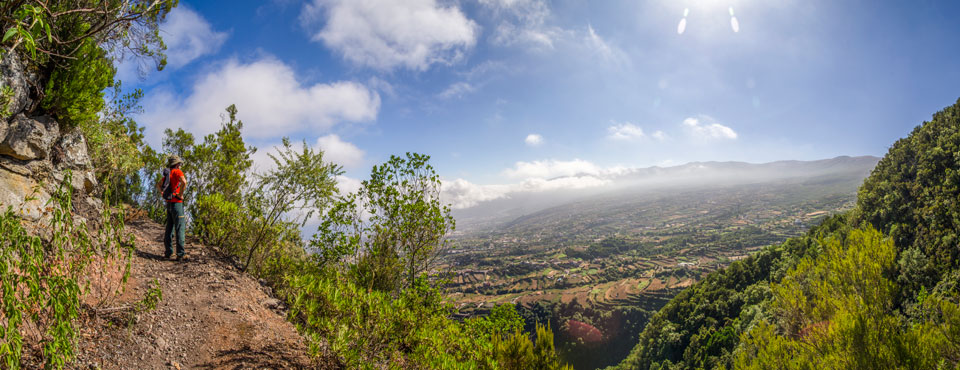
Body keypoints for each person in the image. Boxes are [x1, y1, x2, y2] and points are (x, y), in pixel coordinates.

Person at [158, 155, 188, 260]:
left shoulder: (168, 173)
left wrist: (162, 193)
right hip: (177, 204)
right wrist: (180, 194)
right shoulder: (177, 172)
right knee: (180, 228)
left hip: (169, 203)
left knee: (169, 228)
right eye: (179, 164)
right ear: (177, 164)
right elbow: (184, 182)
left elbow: (159, 184)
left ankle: (168, 252)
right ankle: (180, 254)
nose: (180, 165)